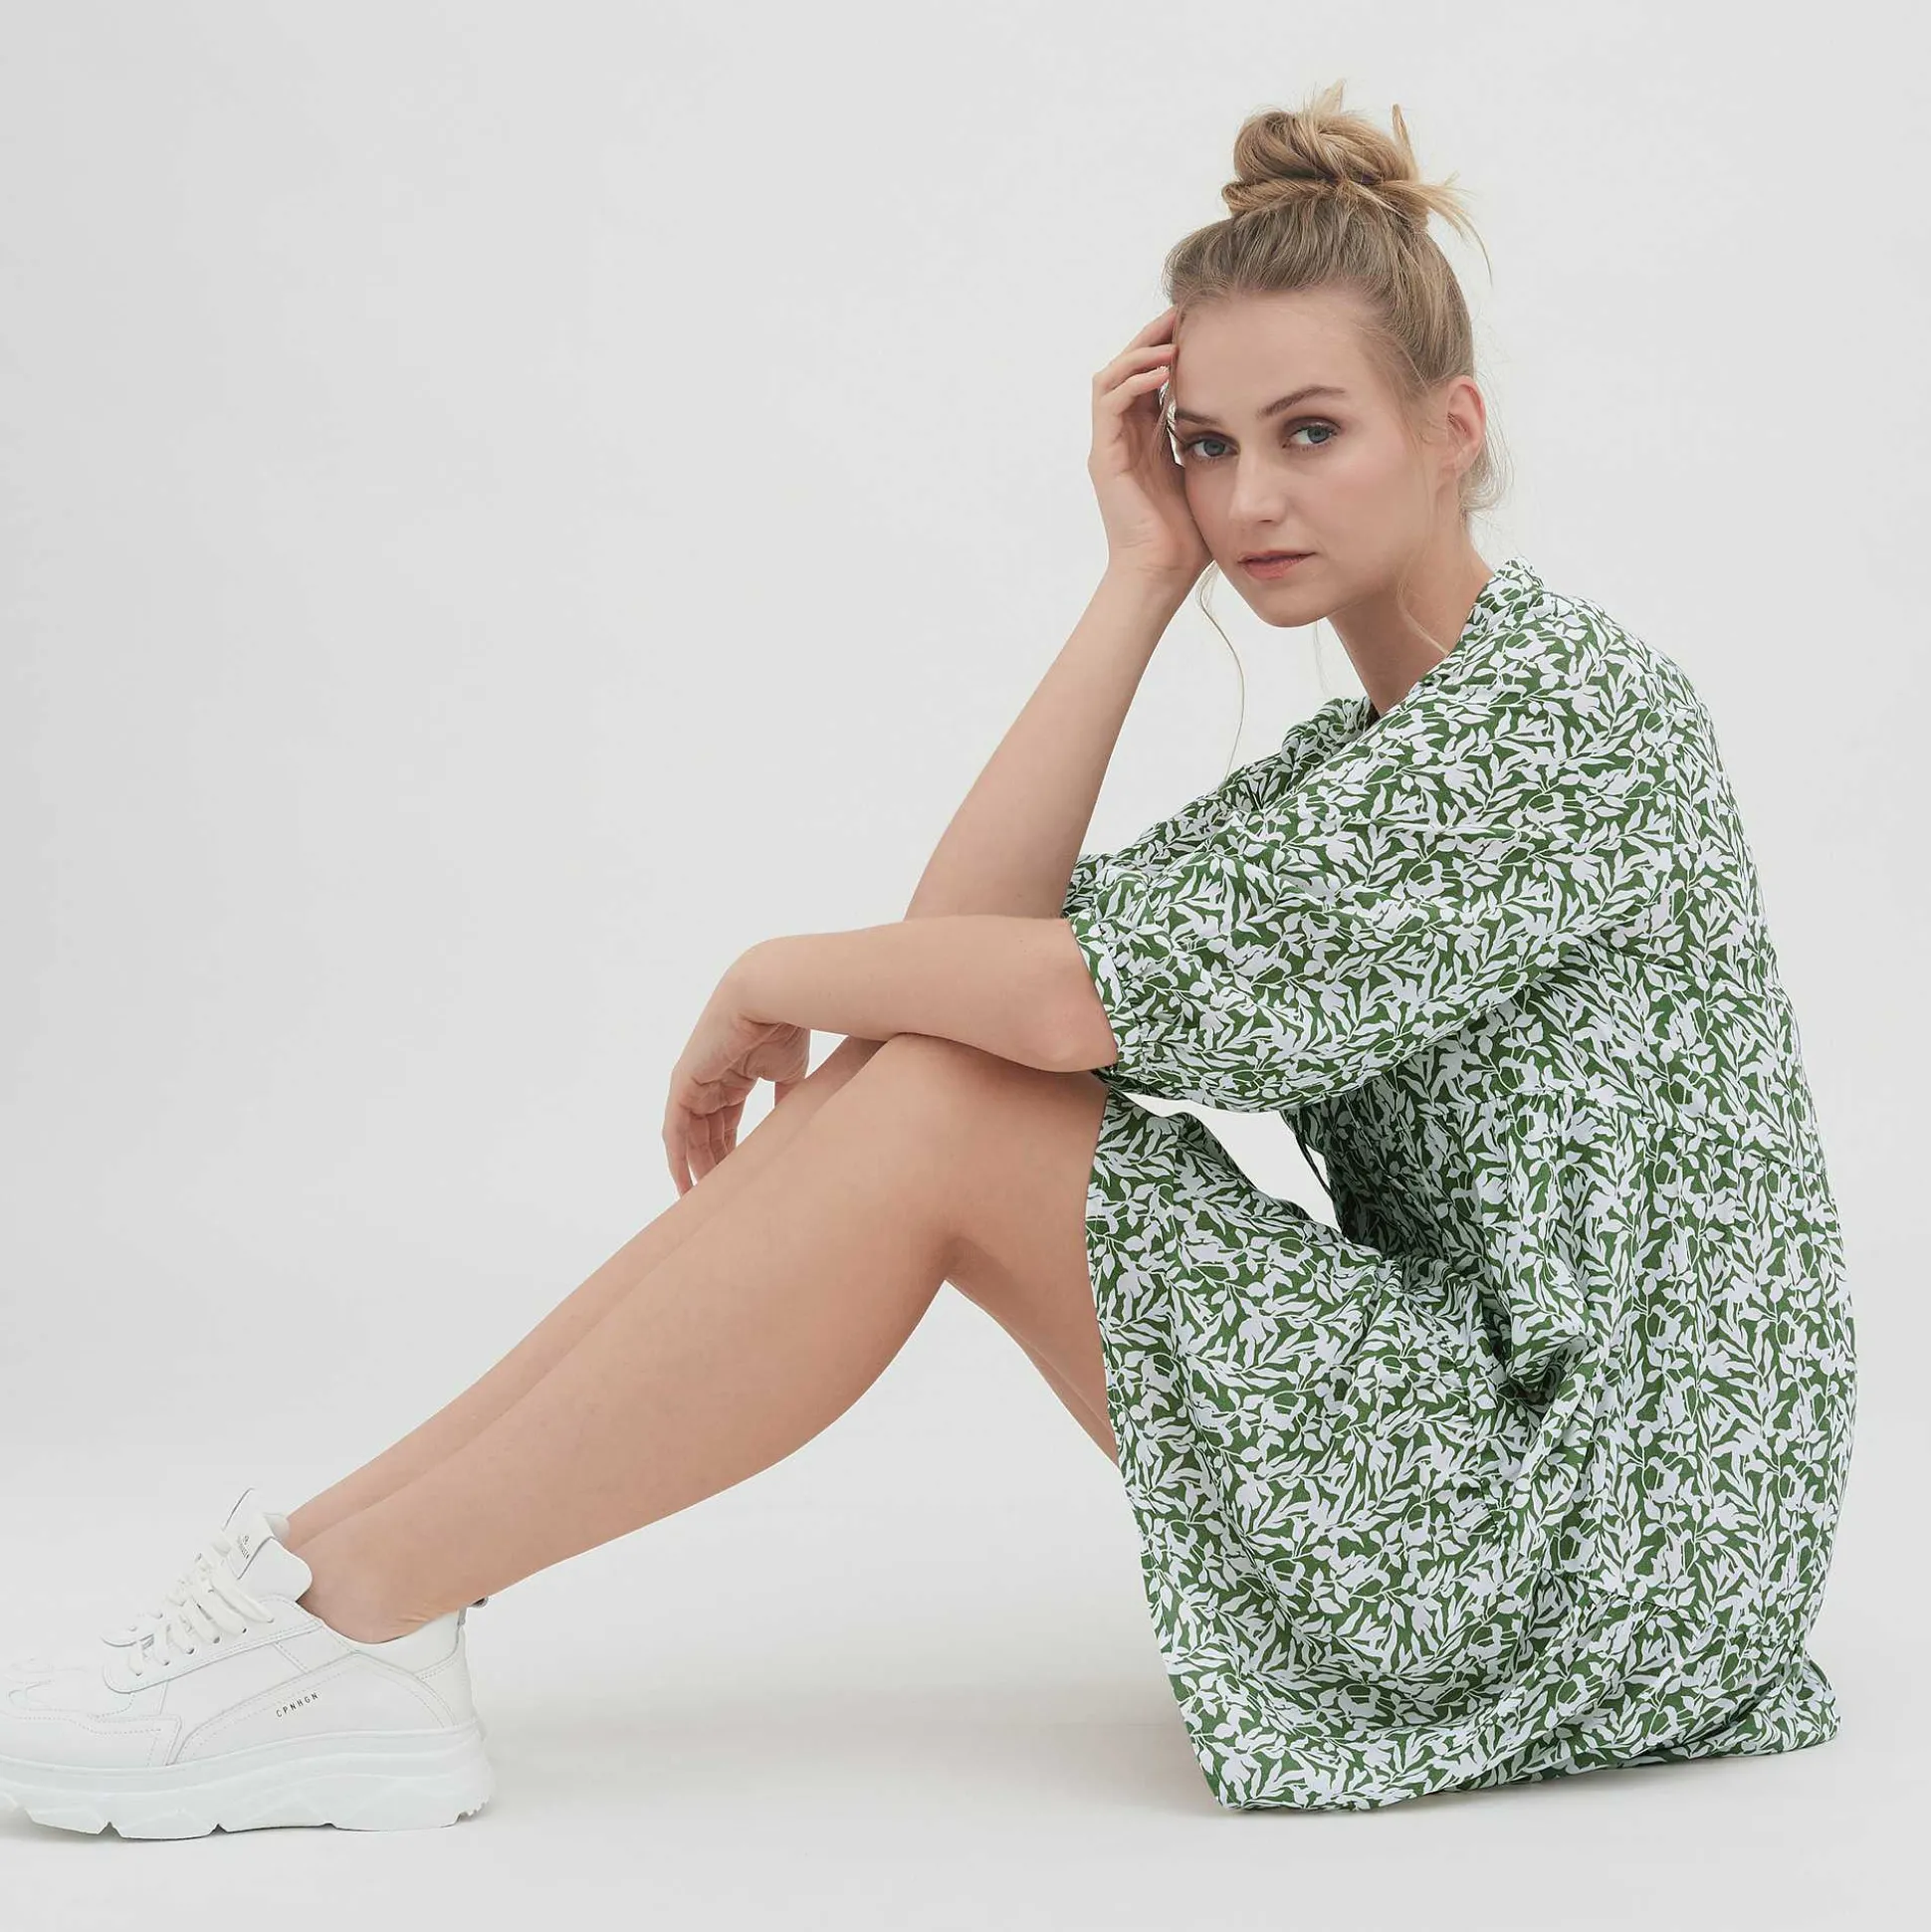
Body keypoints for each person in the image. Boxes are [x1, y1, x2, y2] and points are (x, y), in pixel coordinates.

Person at [0, 80, 1855, 1834]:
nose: (1249, 502)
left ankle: (348, 1623)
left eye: (1312, 432)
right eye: (1209, 448)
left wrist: (764, 971)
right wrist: (1135, 575)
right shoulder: (1364, 762)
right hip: (1503, 1469)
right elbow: (965, 963)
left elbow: (1035, 1000)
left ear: (1452, 430)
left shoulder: (1566, 717)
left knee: (947, 1104)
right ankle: (322, 1587)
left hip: (1605, 1551)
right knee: (932, 1081)